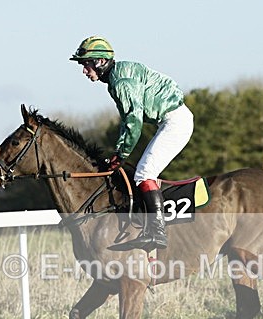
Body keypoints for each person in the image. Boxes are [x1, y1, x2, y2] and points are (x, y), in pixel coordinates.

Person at [70, 36, 194, 251]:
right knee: (142, 172)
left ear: (100, 62)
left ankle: (157, 233)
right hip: (172, 119)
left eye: (86, 64)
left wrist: (121, 154)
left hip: (175, 122)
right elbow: (128, 121)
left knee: (144, 174)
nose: (84, 71)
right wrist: (120, 150)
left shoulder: (121, 83)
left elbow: (133, 121)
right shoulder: (118, 75)